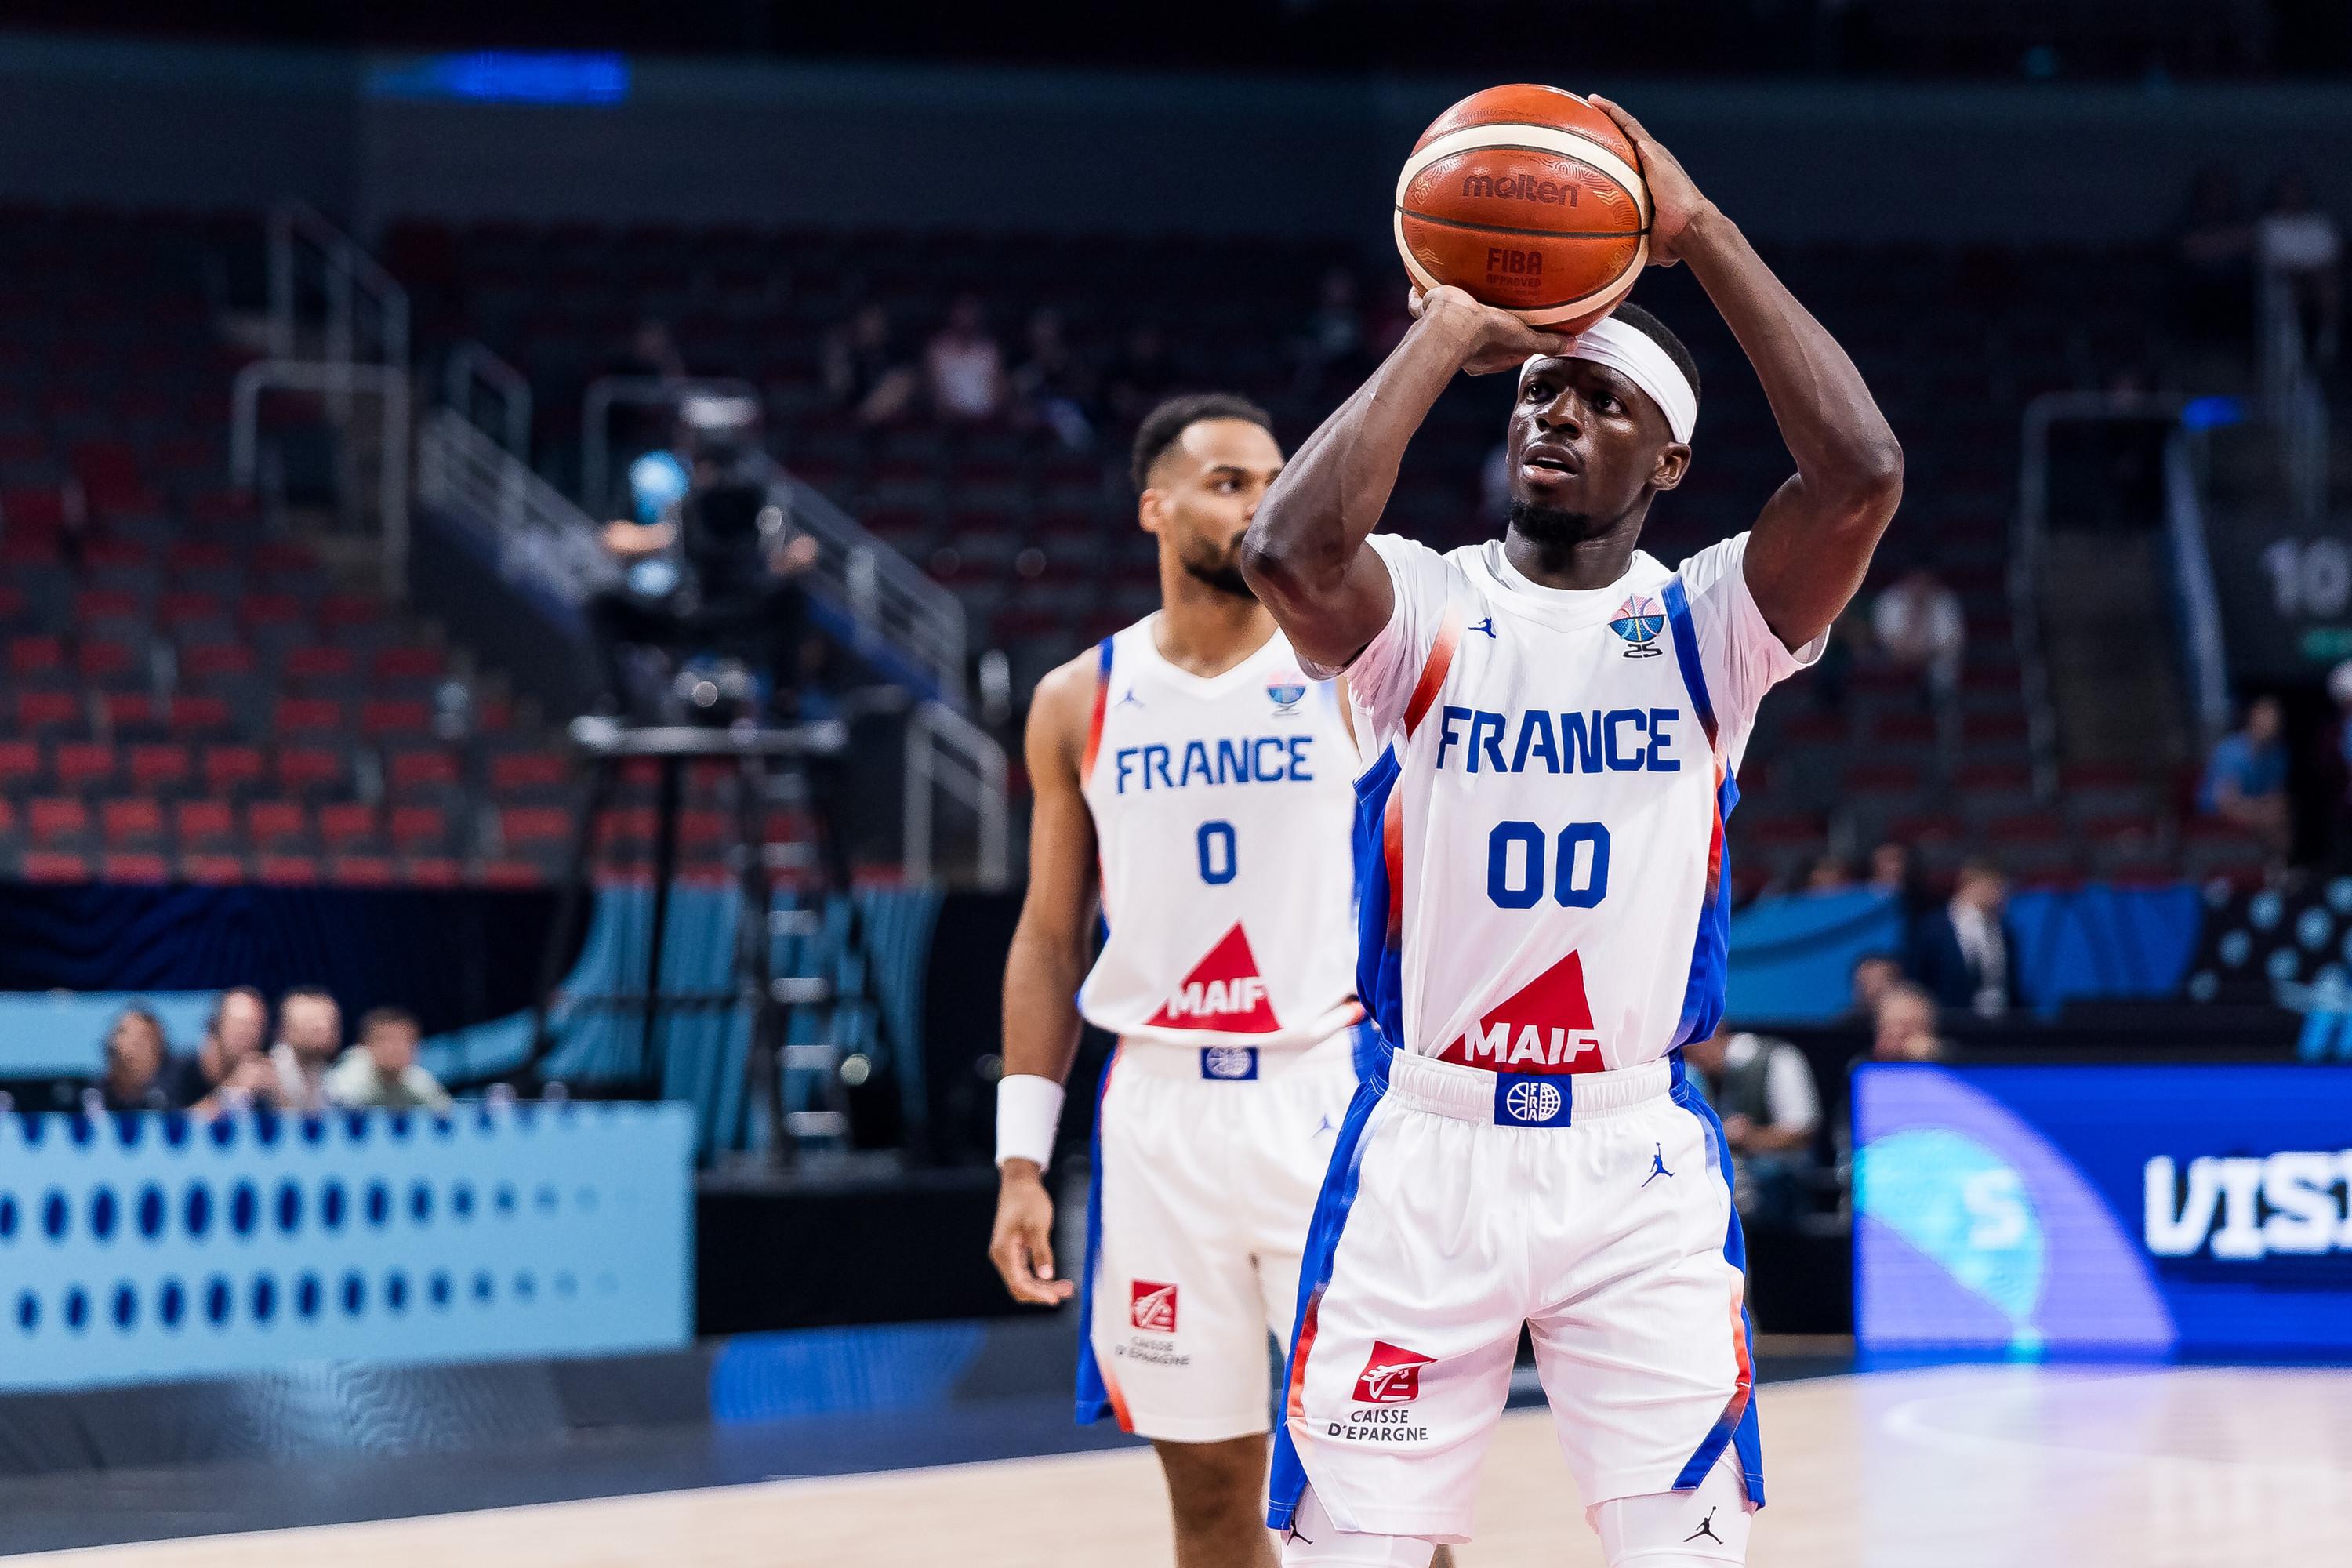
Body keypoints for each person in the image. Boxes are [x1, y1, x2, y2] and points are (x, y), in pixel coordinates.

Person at [1240, 96, 1900, 1564]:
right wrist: (1443, 331)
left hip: (1630, 1158)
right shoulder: (1425, 605)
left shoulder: (1708, 625)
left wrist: (1700, 232)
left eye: (1603, 403)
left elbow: (1860, 475)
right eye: (1540, 391)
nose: (1555, 415)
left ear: (1668, 464)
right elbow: (1284, 550)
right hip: (1427, 1143)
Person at [988, 394, 1402, 1568]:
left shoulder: (1349, 672)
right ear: (1154, 509)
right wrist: (1021, 1161)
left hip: (1321, 1093)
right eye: (1228, 482)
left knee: (1376, 1496)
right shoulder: (1078, 698)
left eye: (1275, 479)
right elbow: (1049, 938)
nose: (1262, 502)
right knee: (1211, 1501)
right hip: (1159, 1110)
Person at [1681, 1021, 1821, 1229]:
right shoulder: (1698, 1078)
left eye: (1691, 1052)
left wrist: (1749, 1137)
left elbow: (1803, 1131)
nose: (1689, 1061)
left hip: (1780, 1182)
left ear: (1710, 1033)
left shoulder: (1777, 1058)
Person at [1907, 859, 2021, 1019]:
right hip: (1950, 1020)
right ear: (1972, 885)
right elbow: (1918, 979)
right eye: (1994, 887)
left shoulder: (2004, 930)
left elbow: (2010, 982)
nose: (1999, 896)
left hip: (1998, 1023)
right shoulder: (1933, 928)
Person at [1869, 566, 1963, 758]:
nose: (1920, 587)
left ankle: (1943, 742)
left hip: (1932, 664)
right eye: (1916, 581)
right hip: (1894, 662)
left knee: (1943, 675)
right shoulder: (1891, 600)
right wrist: (1907, 651)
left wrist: (1922, 653)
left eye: (1925, 581)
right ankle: (1884, 735)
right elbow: (1885, 639)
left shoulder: (1944, 602)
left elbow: (1952, 641)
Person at [2256, 172, 2341, 368]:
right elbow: (2271, 260)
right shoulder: (2269, 225)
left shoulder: (2320, 223)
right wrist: (2299, 270)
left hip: (2319, 282)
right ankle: (2293, 351)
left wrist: (2310, 270)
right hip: (2282, 283)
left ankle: (2327, 336)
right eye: (2287, 191)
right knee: (2294, 284)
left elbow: (2331, 258)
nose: (2293, 196)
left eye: (2297, 191)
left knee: (2327, 284)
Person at [2199, 695, 2292, 859]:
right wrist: (2261, 814)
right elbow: (2226, 802)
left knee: (2284, 815)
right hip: (2217, 812)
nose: (2271, 723)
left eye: (2275, 718)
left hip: (2256, 807)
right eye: (2266, 717)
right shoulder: (2230, 751)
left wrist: (2268, 810)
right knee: (2270, 821)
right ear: (2253, 717)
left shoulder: (2278, 755)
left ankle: (2279, 866)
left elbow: (2276, 797)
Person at [157, 985, 269, 1109]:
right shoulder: (179, 1072)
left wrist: (279, 1095)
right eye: (240, 1028)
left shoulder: (262, 1077)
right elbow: (175, 1121)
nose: (249, 1037)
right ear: (215, 1027)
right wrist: (231, 1091)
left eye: (256, 1028)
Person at [325, 1007, 454, 1112]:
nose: (396, 1049)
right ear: (365, 1046)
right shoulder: (350, 1076)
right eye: (386, 1040)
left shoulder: (418, 1080)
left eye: (405, 1041)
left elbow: (449, 1115)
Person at [822, 303, 921, 426]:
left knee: (903, 381)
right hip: (849, 417)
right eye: (864, 322)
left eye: (875, 322)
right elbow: (838, 391)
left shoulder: (898, 354)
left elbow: (906, 386)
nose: (869, 328)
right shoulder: (845, 354)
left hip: (889, 419)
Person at [924, 294, 1007, 423]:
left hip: (987, 421)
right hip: (950, 422)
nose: (966, 317)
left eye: (970, 310)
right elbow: (934, 390)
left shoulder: (990, 349)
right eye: (962, 310)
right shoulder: (937, 348)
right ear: (952, 313)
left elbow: (999, 389)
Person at [270, 986, 343, 1112]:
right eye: (310, 1021)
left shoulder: (336, 1079)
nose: (322, 1027)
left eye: (330, 1022)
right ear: (284, 1030)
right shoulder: (266, 1076)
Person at [100, 1007, 172, 1112]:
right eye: (123, 1033)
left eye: (141, 1039)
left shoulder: (182, 1088)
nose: (132, 1045)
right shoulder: (95, 1096)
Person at [1871, 982, 1944, 1063]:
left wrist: (1932, 1053)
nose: (1897, 1032)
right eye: (1889, 1026)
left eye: (1906, 1026)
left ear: (1928, 1029)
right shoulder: (1863, 1065)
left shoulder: (1946, 1063)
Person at [1847, 953, 1903, 1023]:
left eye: (1881, 981)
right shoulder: (1844, 1027)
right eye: (1866, 983)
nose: (1874, 989)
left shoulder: (1913, 1017)